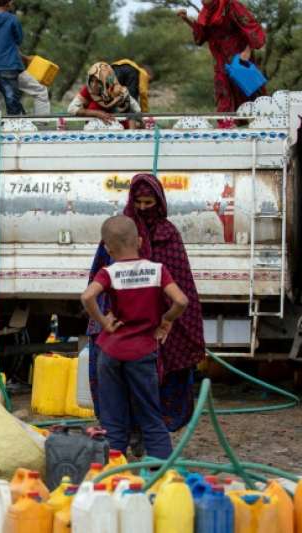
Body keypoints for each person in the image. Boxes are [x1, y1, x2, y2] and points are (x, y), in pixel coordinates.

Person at [90, 174, 206, 431]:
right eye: (139, 202)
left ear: (159, 201)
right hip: (127, 331)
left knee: (153, 394)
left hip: (154, 330)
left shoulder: (168, 235)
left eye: (148, 202)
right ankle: (136, 439)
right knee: (125, 393)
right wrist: (102, 320)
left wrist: (169, 321)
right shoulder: (120, 231)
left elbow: (182, 285)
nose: (143, 208)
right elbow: (96, 286)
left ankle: (143, 437)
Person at [81, 216, 188, 459]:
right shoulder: (158, 270)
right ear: (139, 241)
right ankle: (158, 475)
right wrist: (167, 319)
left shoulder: (108, 273)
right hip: (142, 353)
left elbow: (87, 297)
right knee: (151, 417)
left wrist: (104, 322)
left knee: (113, 420)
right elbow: (181, 300)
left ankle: (112, 475)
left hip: (110, 353)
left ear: (107, 248)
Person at [178, 0, 265, 122]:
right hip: (220, 56)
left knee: (247, 87)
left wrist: (247, 50)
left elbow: (250, 27)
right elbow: (203, 35)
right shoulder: (205, 11)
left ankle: (264, 119)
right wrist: (186, 19)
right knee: (222, 87)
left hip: (239, 53)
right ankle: (226, 124)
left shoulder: (231, 5)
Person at [68, 62, 142, 124]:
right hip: (94, 129)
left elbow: (136, 109)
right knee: (93, 106)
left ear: (107, 81)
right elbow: (72, 108)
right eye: (92, 81)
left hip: (118, 128)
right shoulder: (87, 90)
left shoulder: (117, 90)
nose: (94, 85)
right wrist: (97, 113)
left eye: (98, 81)